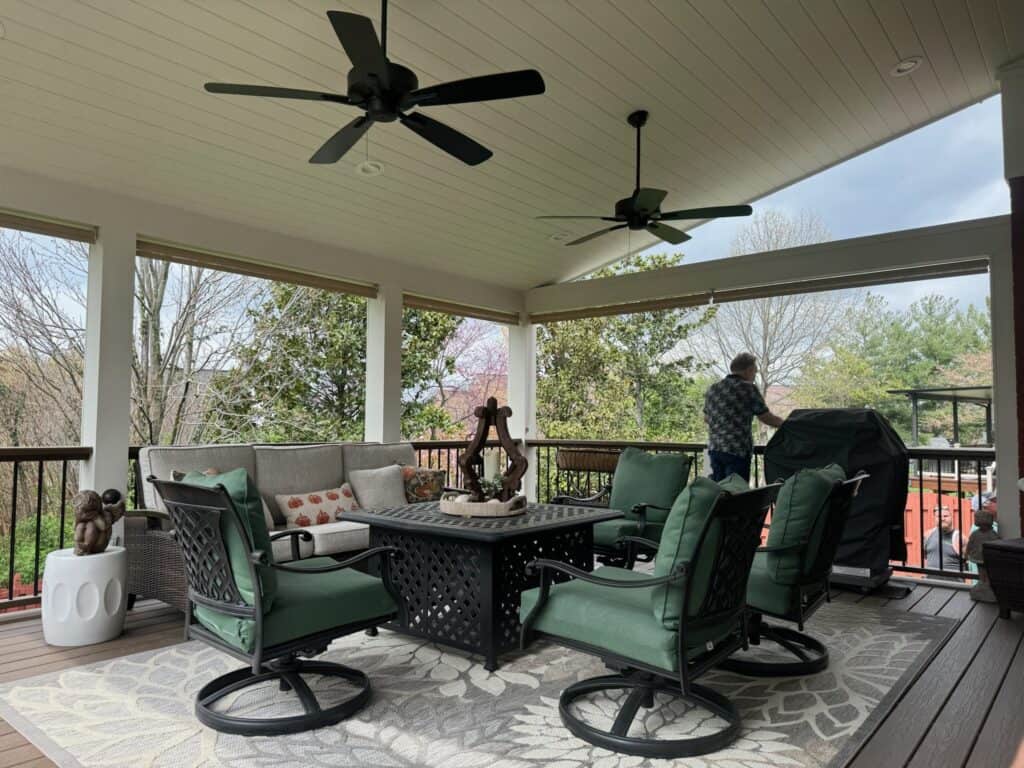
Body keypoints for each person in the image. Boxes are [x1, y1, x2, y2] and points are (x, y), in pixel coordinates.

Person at [703, 352, 784, 482]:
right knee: (736, 494)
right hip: (736, 451)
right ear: (749, 370)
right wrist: (786, 424)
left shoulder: (713, 389)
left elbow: (706, 419)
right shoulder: (747, 388)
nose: (754, 376)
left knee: (714, 494)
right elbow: (765, 417)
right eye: (755, 372)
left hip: (713, 450)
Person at [924, 505, 965, 581]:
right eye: (938, 516)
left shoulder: (960, 538)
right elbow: (926, 556)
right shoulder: (928, 535)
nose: (942, 519)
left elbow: (968, 561)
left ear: (951, 517)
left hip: (954, 586)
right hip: (931, 584)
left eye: (946, 516)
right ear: (935, 518)